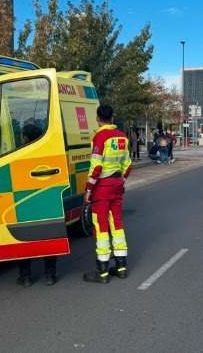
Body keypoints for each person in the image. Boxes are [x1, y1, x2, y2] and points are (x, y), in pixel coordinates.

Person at [83, 104, 132, 284]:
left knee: (101, 227)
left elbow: (96, 167)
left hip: (102, 188)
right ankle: (121, 268)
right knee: (117, 225)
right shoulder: (122, 137)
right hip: (117, 185)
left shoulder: (99, 137)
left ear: (98, 118)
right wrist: (120, 181)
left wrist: (88, 189)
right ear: (112, 117)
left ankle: (102, 272)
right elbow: (128, 165)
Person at [15, 123, 58, 286]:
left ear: (25, 138)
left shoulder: (18, 154)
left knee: (24, 238)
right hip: (46, 200)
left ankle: (25, 277)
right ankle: (50, 275)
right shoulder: (49, 153)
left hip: (25, 202)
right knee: (48, 237)